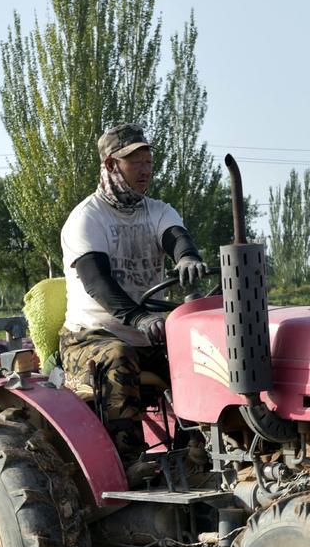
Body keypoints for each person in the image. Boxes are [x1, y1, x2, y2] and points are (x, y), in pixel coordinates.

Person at [59, 123, 210, 460]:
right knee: (117, 355)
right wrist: (139, 317)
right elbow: (97, 282)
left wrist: (186, 256)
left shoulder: (157, 211)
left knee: (200, 351)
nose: (145, 170)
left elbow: (176, 236)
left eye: (148, 162)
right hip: (90, 337)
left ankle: (202, 452)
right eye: (135, 162)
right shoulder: (87, 219)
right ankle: (128, 461)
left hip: (148, 335)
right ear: (111, 165)